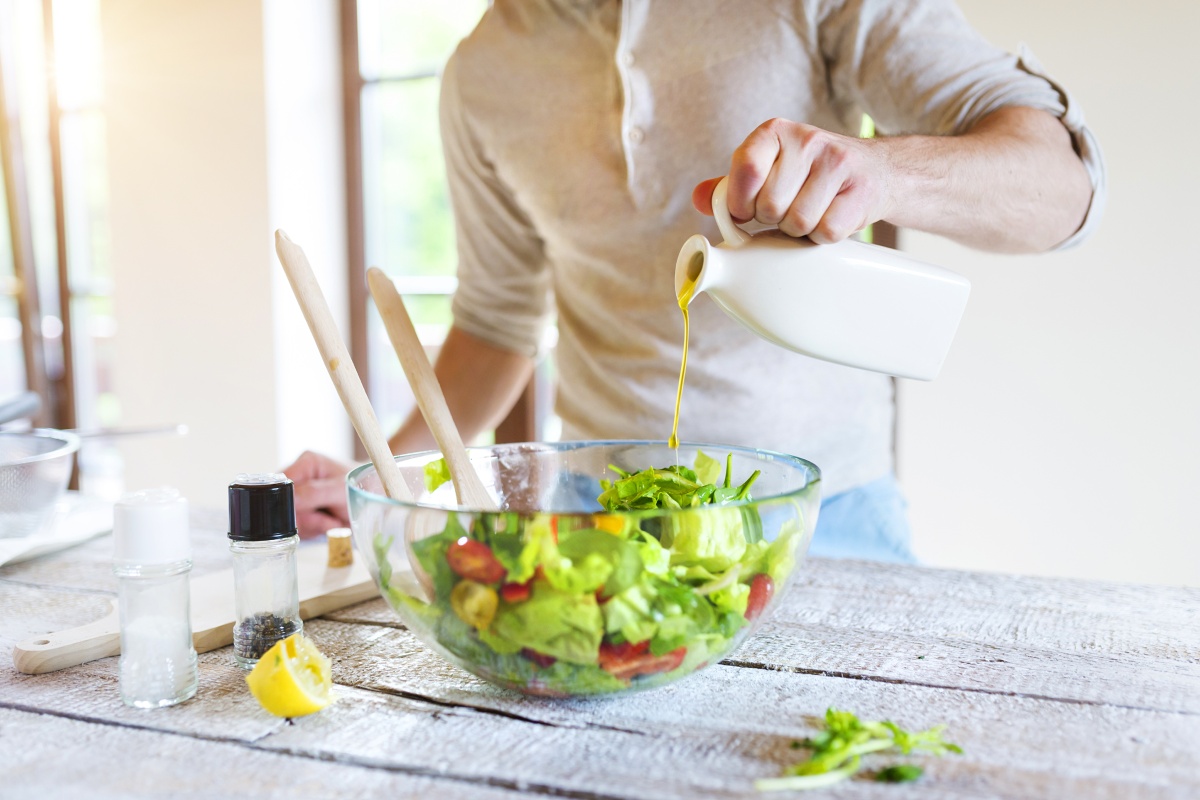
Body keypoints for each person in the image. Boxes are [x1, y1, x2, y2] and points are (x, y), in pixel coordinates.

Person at [285, 0, 1104, 561]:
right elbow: (496, 327)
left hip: (827, 521)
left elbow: (1061, 188)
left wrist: (881, 173)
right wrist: (377, 479)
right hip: (596, 522)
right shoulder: (482, 72)